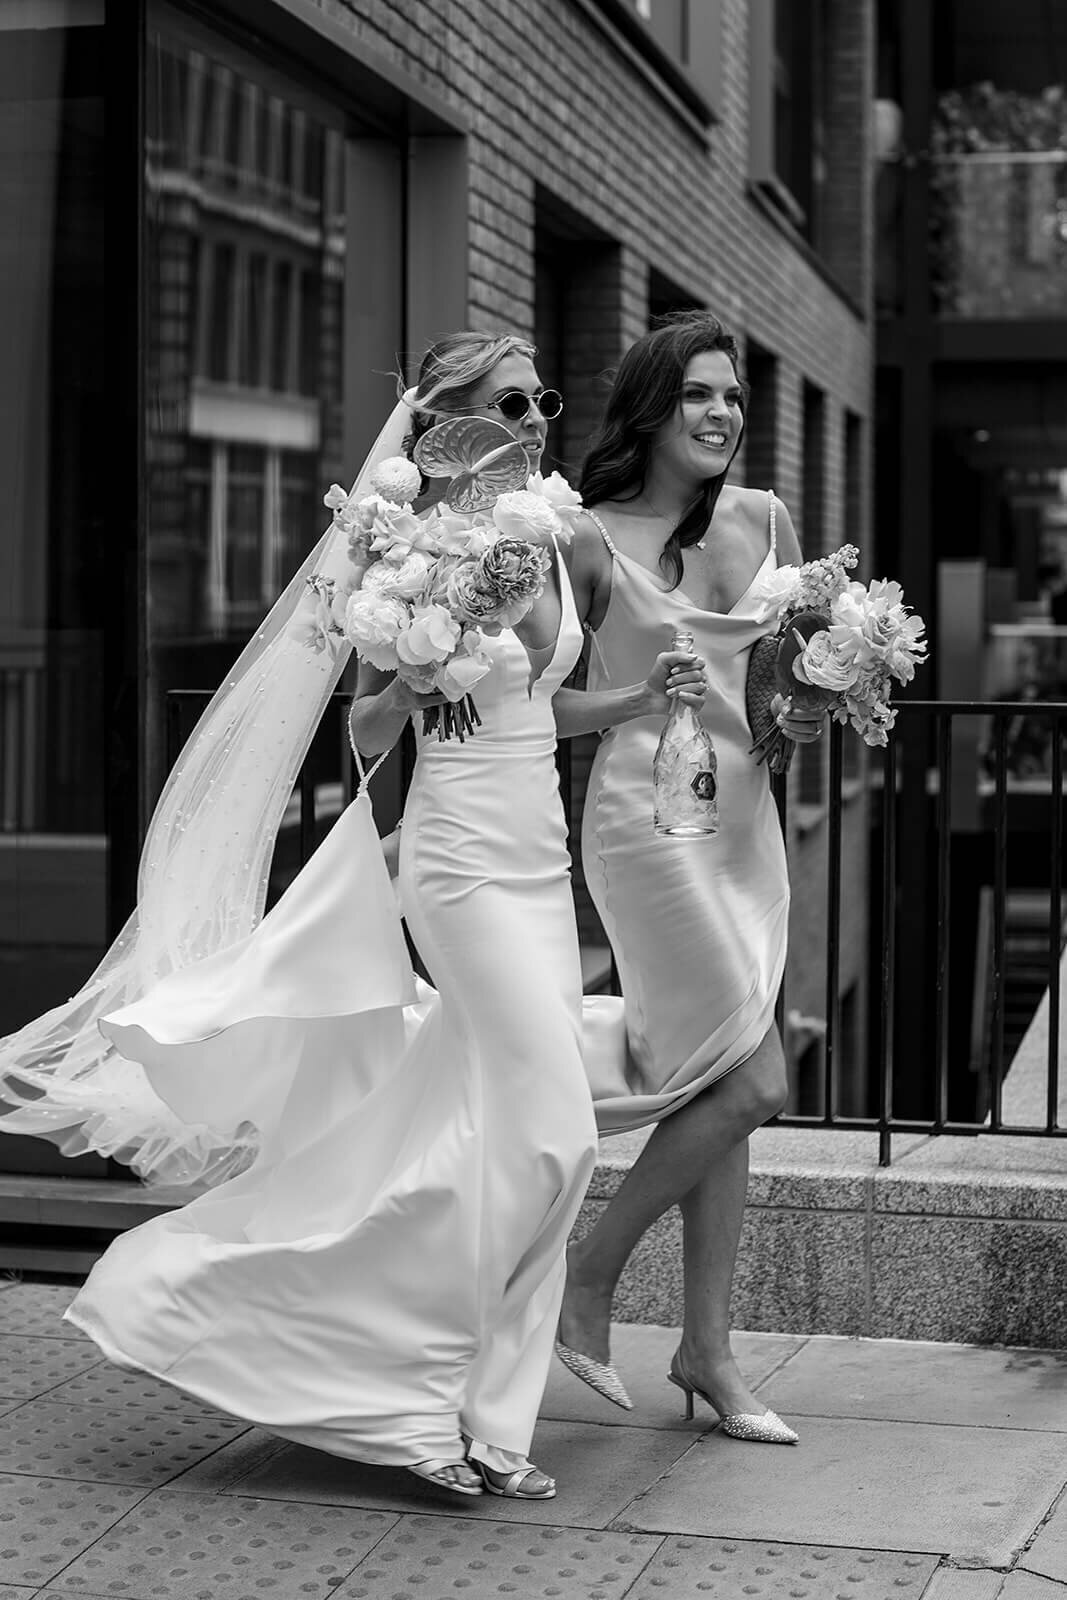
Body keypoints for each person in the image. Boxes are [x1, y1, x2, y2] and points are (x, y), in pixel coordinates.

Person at [0, 331, 649, 1502]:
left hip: (538, 869)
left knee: (514, 1139)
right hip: (452, 868)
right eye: (510, 399)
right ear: (445, 421)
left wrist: (642, 694)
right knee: (555, 1131)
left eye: (543, 396)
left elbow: (542, 715)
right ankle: (408, 1402)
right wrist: (417, 665)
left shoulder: (555, 536)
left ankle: (491, 1422)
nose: (537, 416)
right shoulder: (401, 546)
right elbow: (361, 731)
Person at [553, 312, 823, 1443]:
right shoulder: (583, 536)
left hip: (743, 824)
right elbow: (543, 704)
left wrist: (818, 695)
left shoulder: (765, 519)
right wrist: (631, 695)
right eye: (701, 395)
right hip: (644, 823)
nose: (722, 415)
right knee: (754, 1080)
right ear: (652, 407)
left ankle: (707, 1353)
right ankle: (586, 1274)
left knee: (724, 1081)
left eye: (733, 400)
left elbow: (784, 691)